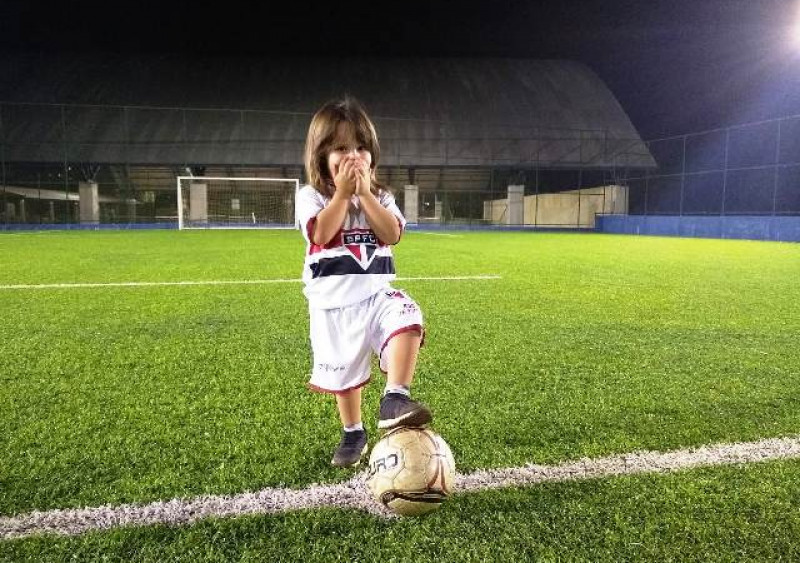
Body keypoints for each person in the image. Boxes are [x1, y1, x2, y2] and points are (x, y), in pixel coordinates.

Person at [296, 96, 432, 468]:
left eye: (361, 147)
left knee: (407, 314)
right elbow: (321, 233)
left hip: (376, 295)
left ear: (372, 155)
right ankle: (353, 431)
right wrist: (342, 194)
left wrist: (365, 195)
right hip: (333, 307)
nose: (353, 156)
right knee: (347, 376)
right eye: (341, 148)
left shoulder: (382, 196)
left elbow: (391, 232)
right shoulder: (311, 197)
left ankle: (395, 396)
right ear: (321, 157)